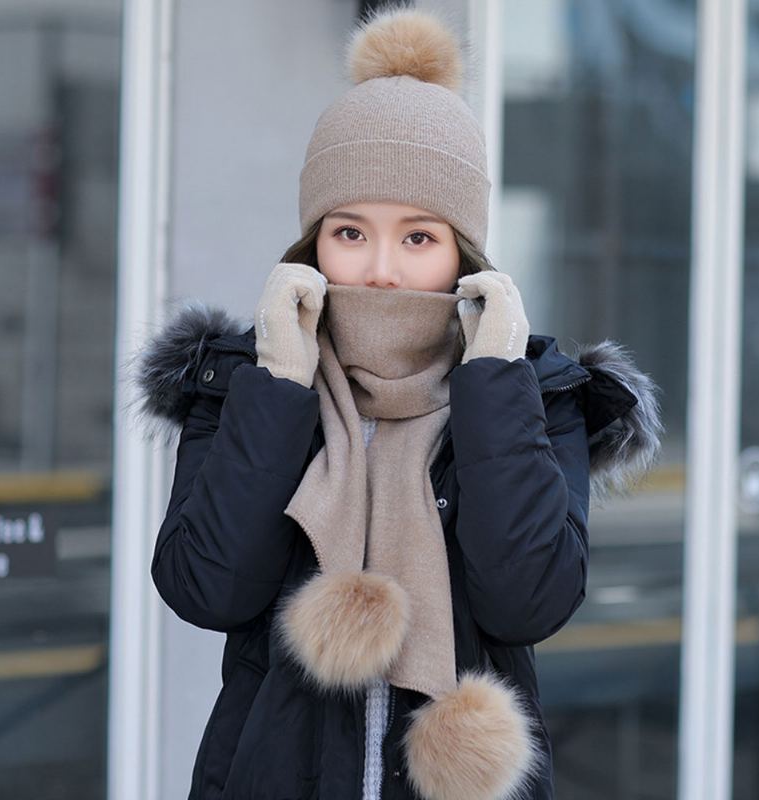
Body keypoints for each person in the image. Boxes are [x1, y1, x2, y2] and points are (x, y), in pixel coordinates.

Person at [128, 6, 664, 800]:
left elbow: (528, 601)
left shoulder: (536, 397)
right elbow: (206, 588)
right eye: (350, 232)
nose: (379, 269)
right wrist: (279, 383)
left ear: (464, 253)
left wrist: (492, 382)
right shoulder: (246, 382)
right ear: (312, 245)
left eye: (418, 237)